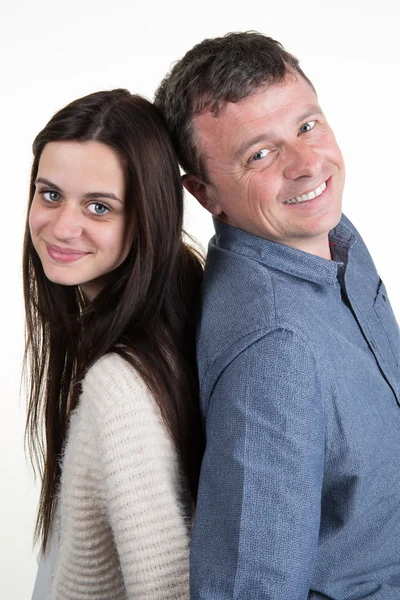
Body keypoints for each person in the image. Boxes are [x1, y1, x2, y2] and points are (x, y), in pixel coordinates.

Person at [154, 32, 400, 599]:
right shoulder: (273, 347)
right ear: (204, 192)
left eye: (307, 126)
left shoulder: (332, 240)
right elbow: (251, 588)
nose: (307, 163)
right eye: (259, 154)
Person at [24, 89, 204, 599]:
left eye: (99, 207)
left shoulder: (119, 389)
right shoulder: (177, 303)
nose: (60, 226)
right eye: (50, 193)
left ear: (150, 215)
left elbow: (166, 587)